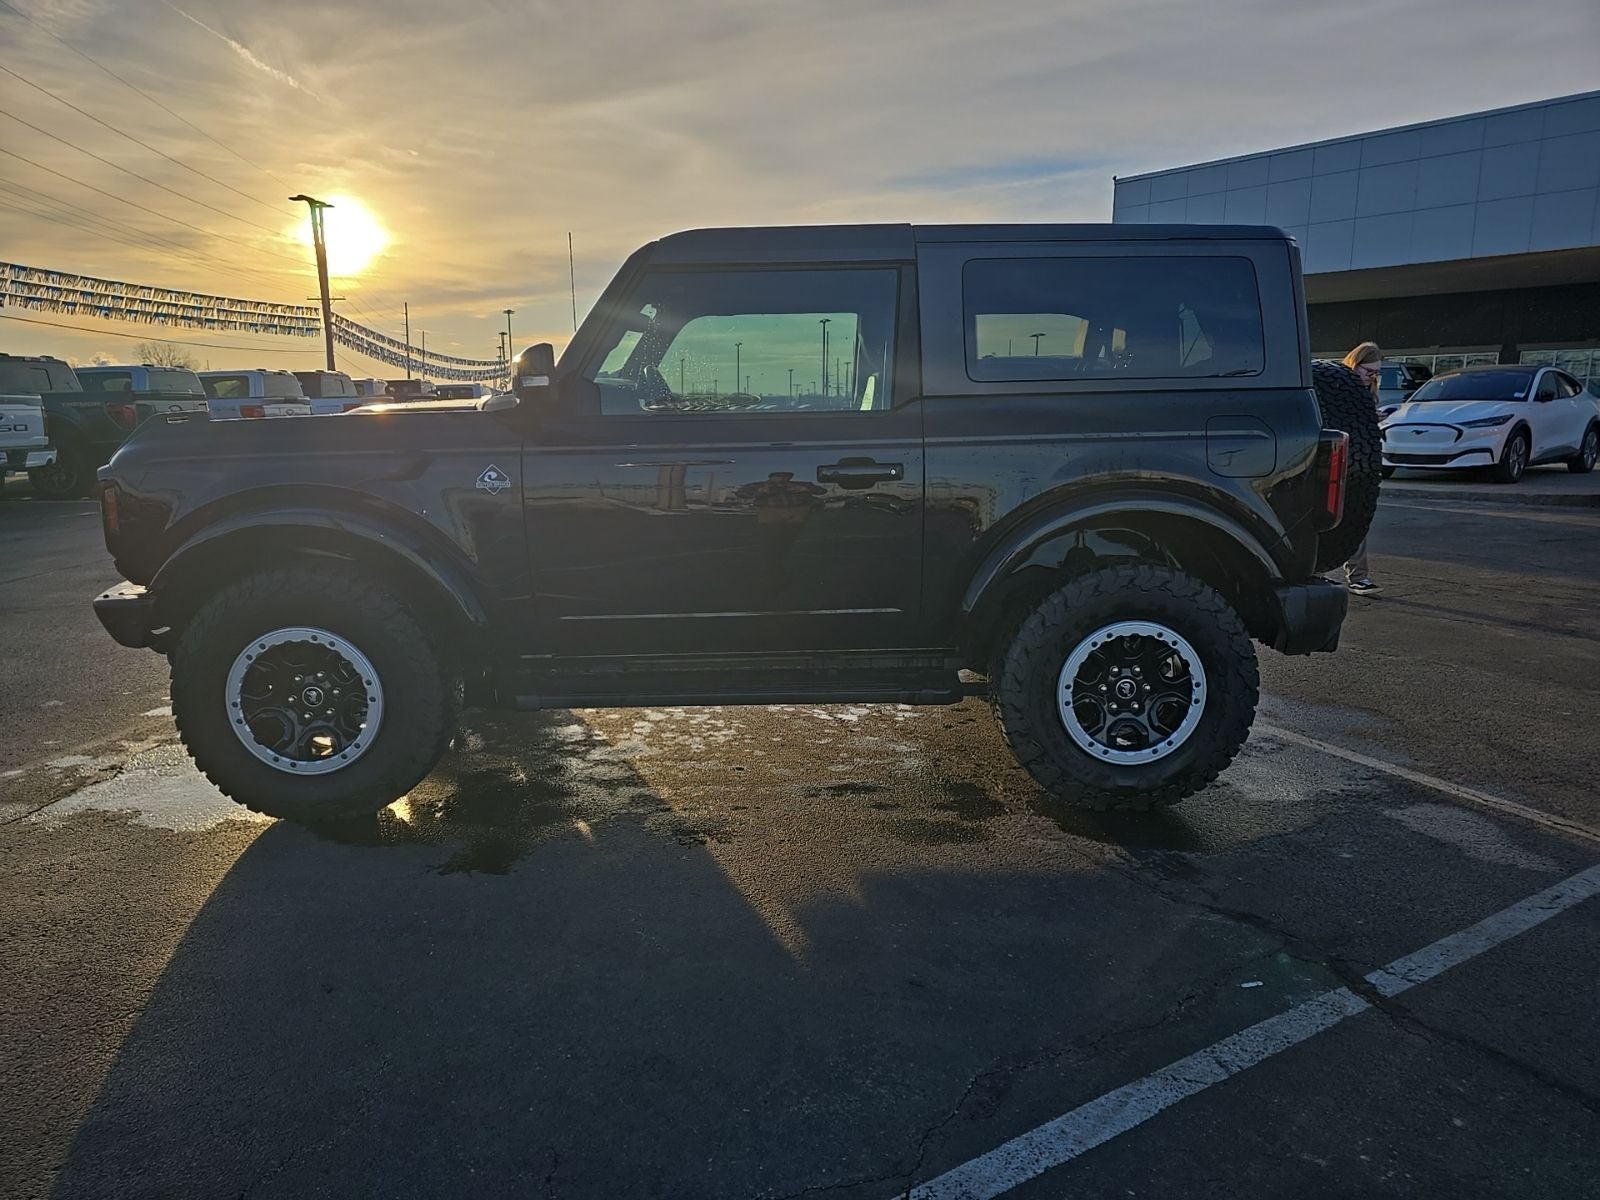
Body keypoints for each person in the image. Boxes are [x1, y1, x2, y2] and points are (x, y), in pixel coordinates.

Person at [1341, 341, 1383, 594]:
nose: (1373, 377)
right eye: (1369, 372)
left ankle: (1358, 576)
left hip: (1360, 465)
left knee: (1356, 517)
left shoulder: (1370, 394)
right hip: (1336, 462)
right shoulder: (1336, 388)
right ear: (1354, 366)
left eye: (1377, 372)